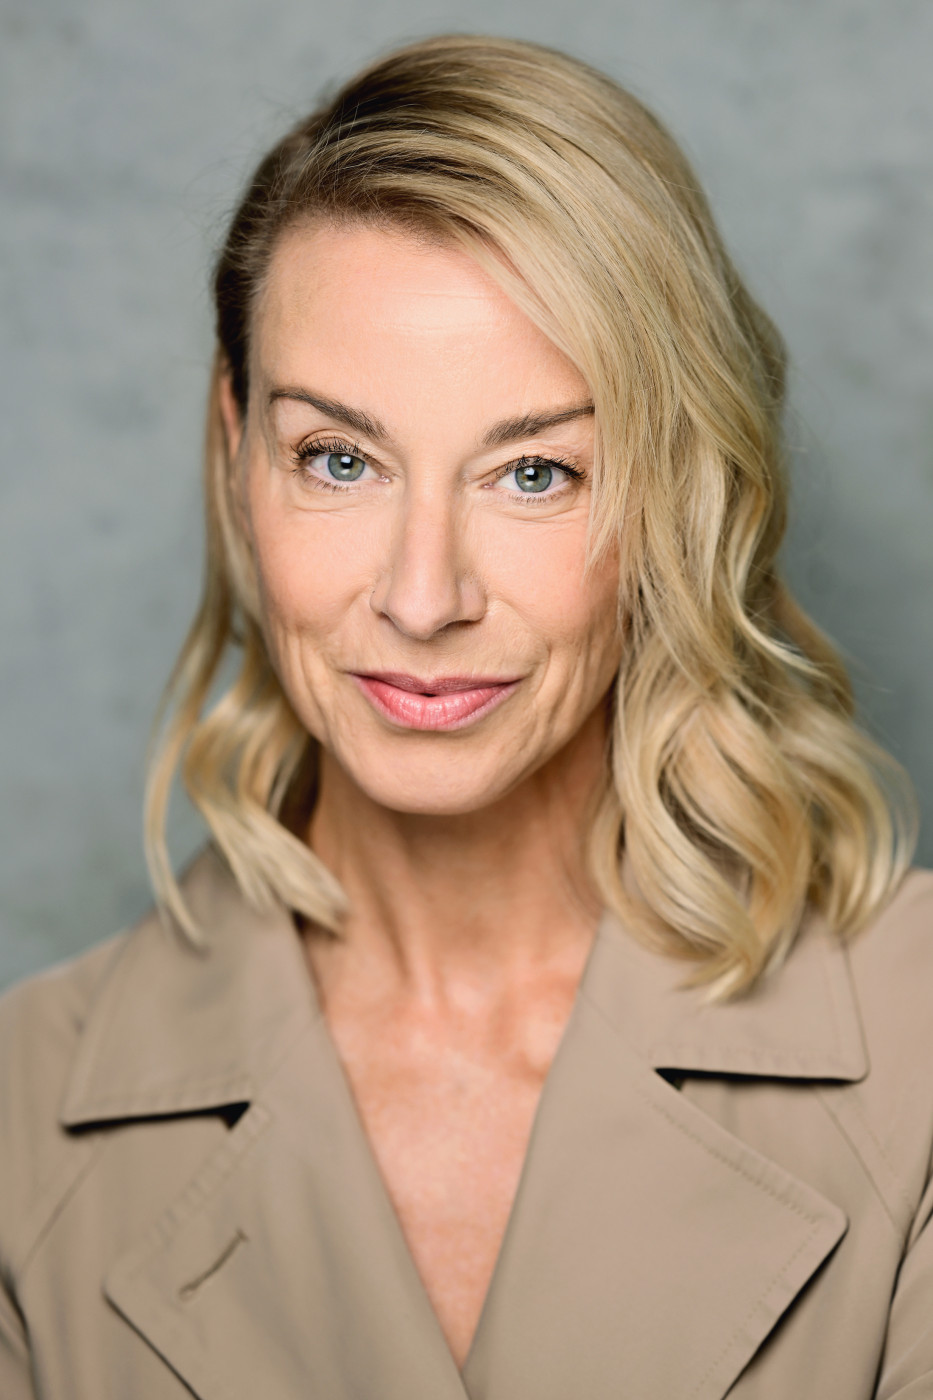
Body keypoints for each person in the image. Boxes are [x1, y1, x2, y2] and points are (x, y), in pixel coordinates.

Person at [0, 32, 929, 1400]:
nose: (422, 598)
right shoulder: (20, 1119)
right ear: (234, 448)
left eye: (535, 473)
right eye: (338, 459)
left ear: (678, 492)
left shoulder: (918, 1042)